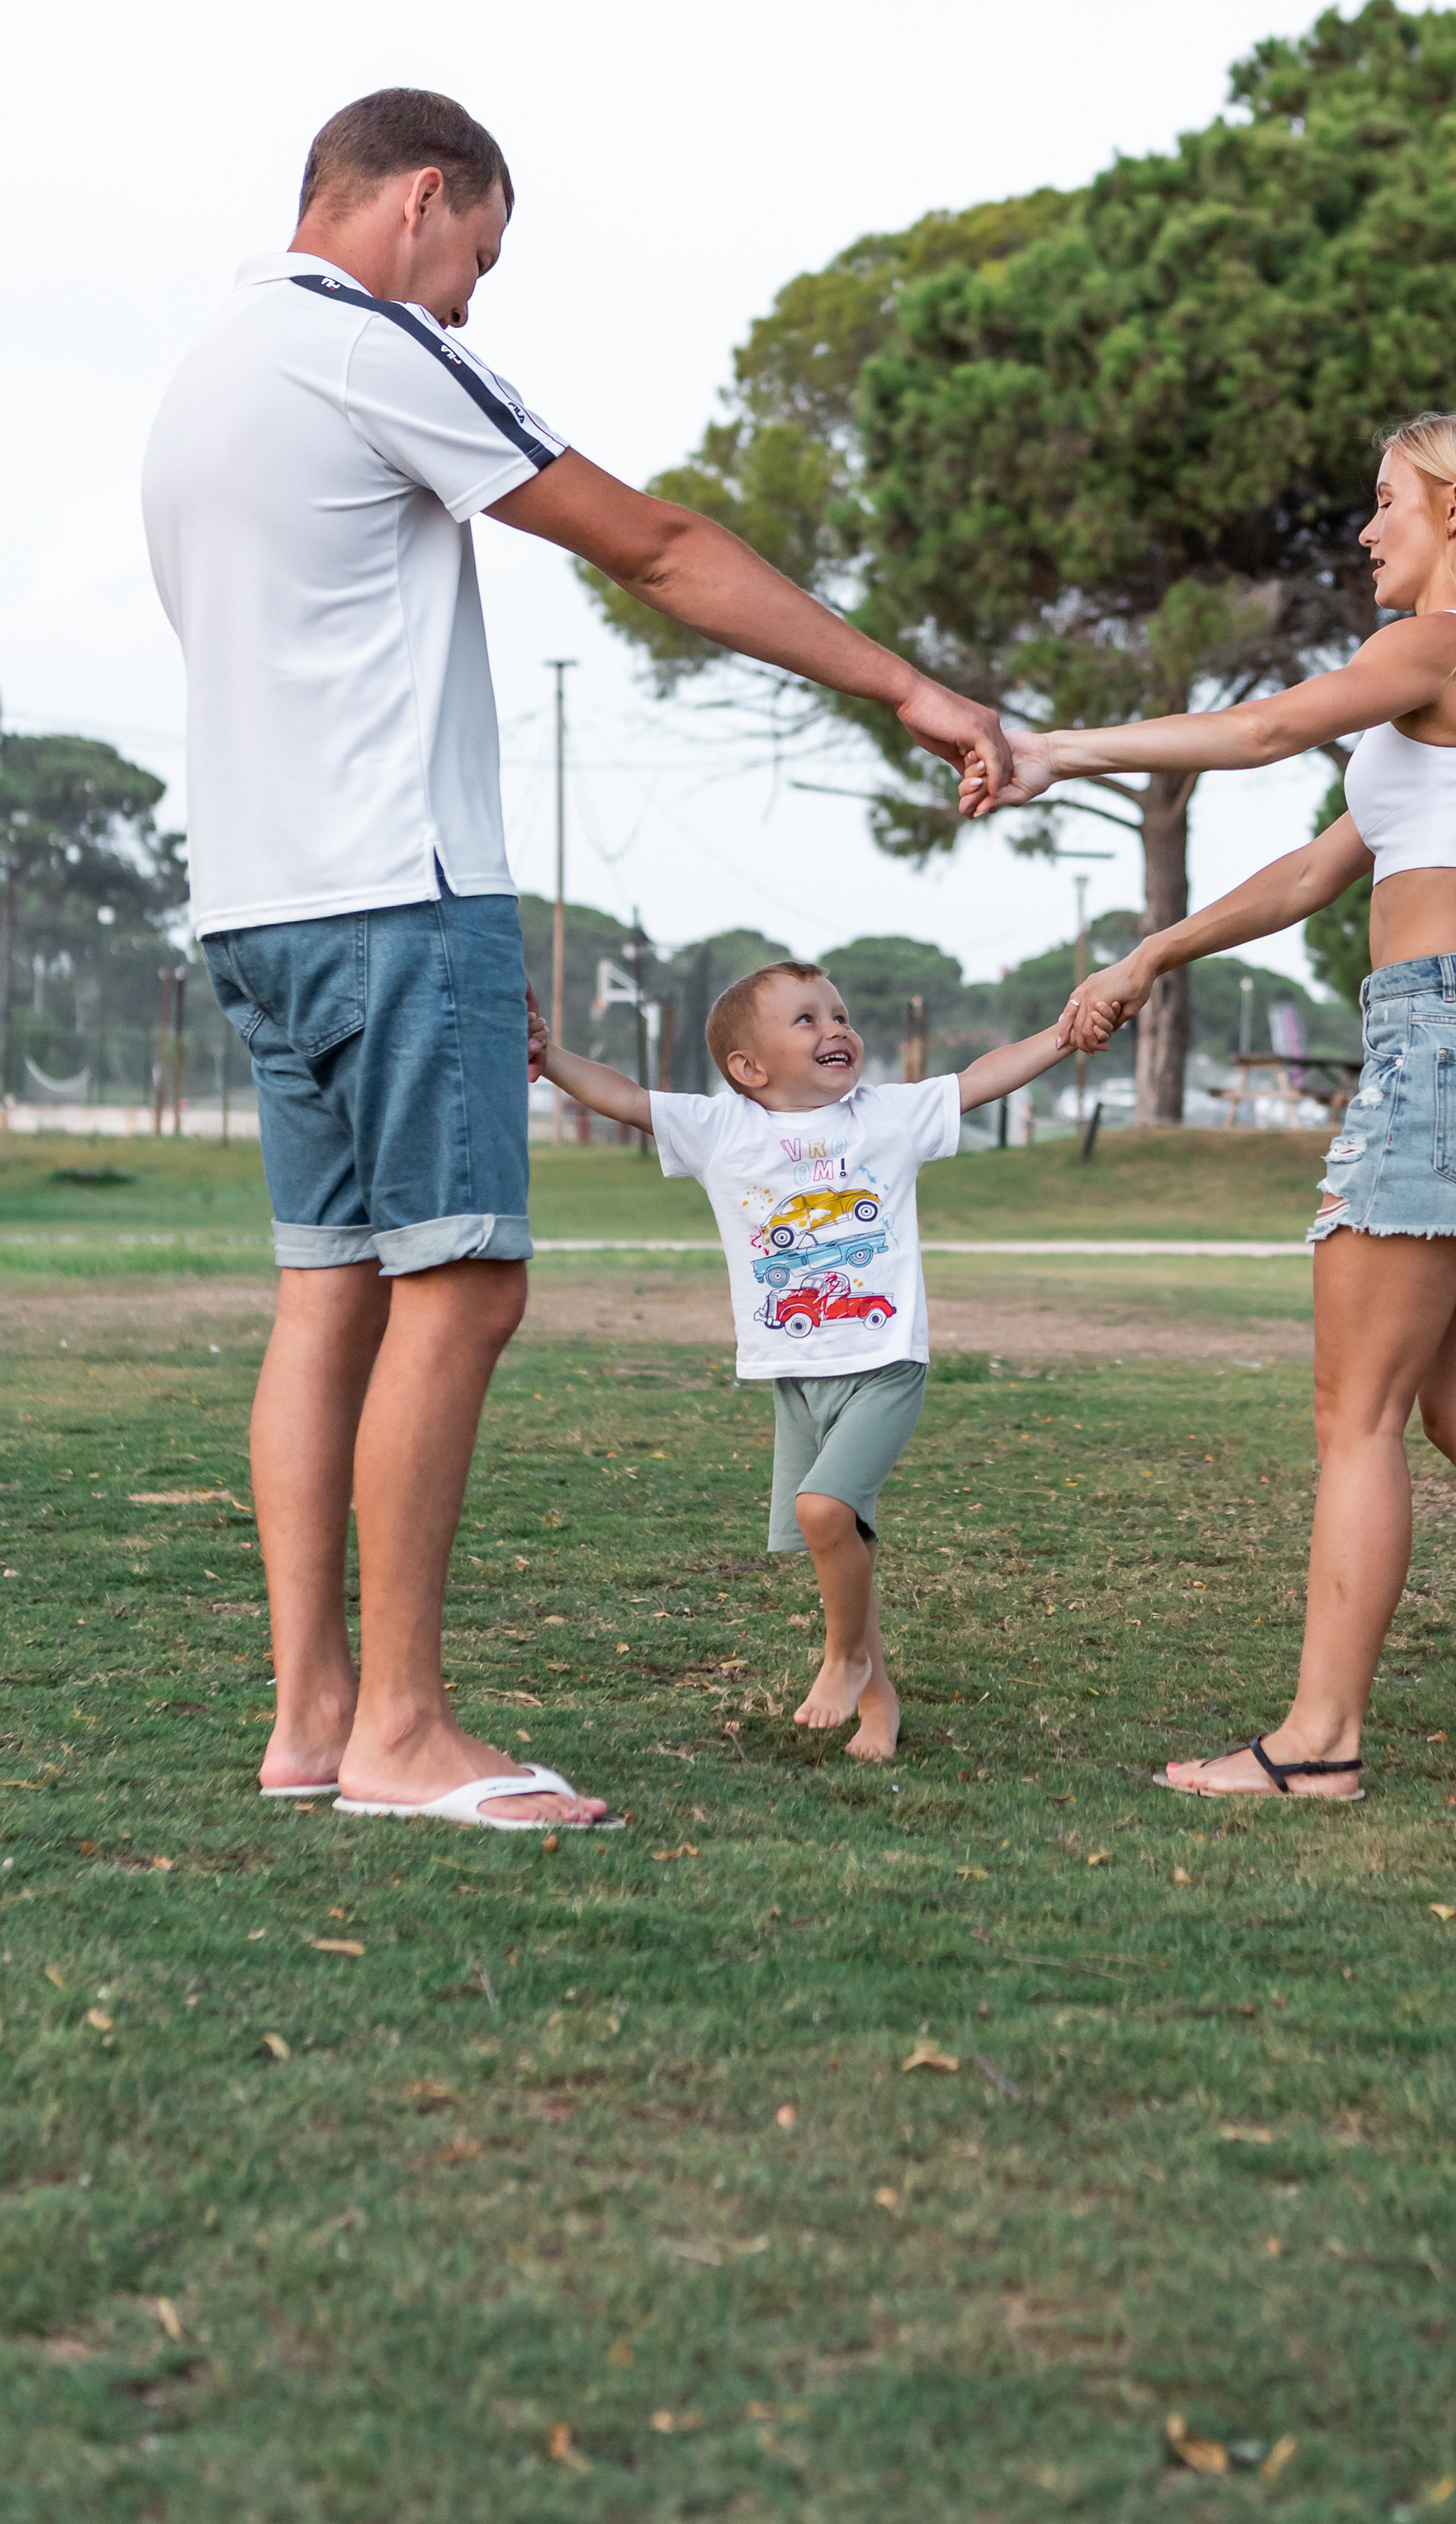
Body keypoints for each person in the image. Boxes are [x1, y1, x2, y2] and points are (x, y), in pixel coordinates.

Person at [144, 89, 1013, 1833]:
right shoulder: (362, 343)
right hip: (399, 897)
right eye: (477, 255)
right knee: (461, 1286)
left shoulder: (204, 380)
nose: (470, 299)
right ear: (418, 198)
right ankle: (401, 1731)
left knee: (330, 1294)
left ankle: (313, 1719)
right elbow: (658, 546)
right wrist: (903, 687)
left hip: (256, 904)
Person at [1003, 408, 1456, 1810]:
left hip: (1450, 1040)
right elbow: (1318, 872)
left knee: (1357, 1419)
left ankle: (1318, 1738)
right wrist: (1149, 956)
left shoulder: (1439, 645)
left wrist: (1057, 749)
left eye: (1387, 503)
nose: (1366, 530)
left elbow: (1264, 725)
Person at [529, 962, 1093, 1759]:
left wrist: (1063, 1035)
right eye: (807, 1020)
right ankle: (879, 1703)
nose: (836, 1028)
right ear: (748, 1070)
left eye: (840, 1013)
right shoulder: (721, 1131)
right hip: (792, 1374)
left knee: (824, 1512)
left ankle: (846, 1659)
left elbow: (979, 1079)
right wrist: (549, 1057)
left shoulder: (885, 1118)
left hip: (883, 1360)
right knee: (841, 1540)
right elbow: (624, 1097)